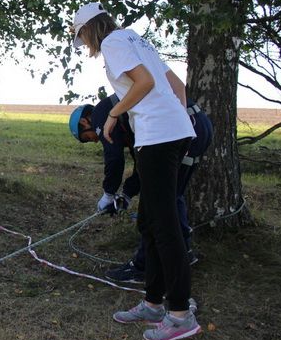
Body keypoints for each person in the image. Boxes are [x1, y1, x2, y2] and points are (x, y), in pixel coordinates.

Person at [71, 1, 200, 340]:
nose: (84, 45)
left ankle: (179, 314)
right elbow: (177, 86)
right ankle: (154, 302)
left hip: (158, 136)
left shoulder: (113, 43)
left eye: (81, 37)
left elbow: (142, 84)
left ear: (89, 29)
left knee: (166, 226)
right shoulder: (134, 39)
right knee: (149, 222)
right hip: (171, 131)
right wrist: (183, 119)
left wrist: (114, 113)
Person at [68, 93, 213, 283]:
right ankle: (184, 251)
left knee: (153, 204)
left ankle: (142, 267)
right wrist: (126, 195)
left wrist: (108, 193)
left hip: (181, 130)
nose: (94, 141)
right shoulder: (125, 120)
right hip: (198, 127)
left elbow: (114, 158)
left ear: (85, 122)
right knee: (173, 195)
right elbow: (141, 165)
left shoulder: (102, 115)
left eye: (86, 138)